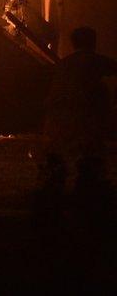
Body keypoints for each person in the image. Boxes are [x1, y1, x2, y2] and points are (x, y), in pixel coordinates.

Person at [43, 27, 117, 195]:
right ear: (93, 42)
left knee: (58, 151)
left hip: (56, 117)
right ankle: (89, 181)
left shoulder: (64, 64)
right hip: (83, 116)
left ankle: (55, 180)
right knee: (90, 148)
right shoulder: (93, 61)